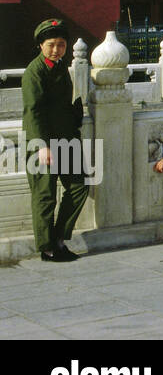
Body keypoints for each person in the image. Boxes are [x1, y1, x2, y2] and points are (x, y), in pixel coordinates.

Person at [22, 19, 89, 262]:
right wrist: (41, 146)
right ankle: (48, 248)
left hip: (67, 140)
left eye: (61, 45)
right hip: (42, 144)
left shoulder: (60, 67)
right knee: (45, 195)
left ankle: (59, 239)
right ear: (41, 45)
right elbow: (33, 111)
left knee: (80, 187)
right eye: (51, 45)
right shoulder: (34, 72)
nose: (56, 50)